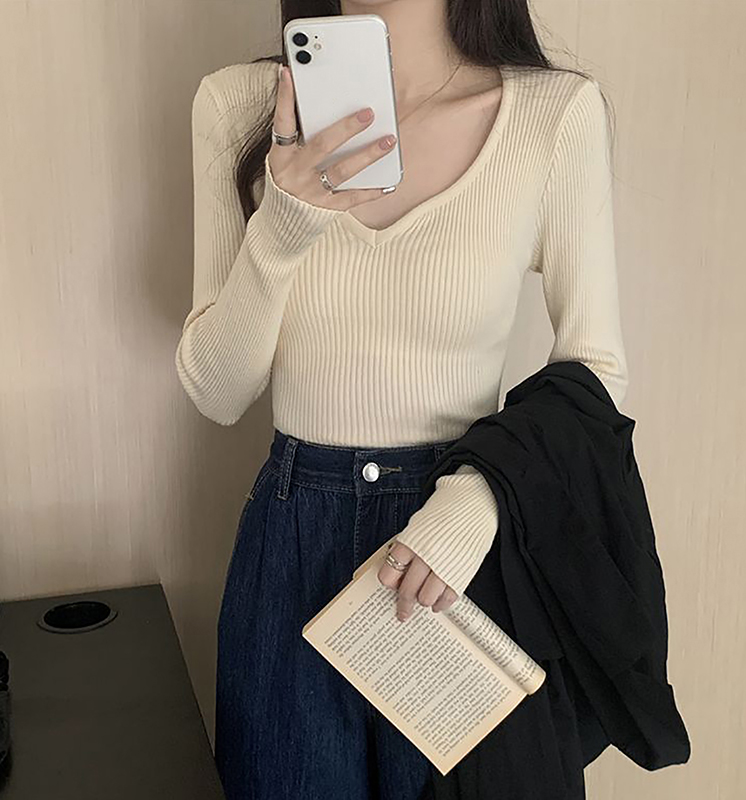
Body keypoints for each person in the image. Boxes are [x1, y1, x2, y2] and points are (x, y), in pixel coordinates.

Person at [174, 1, 628, 798]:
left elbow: (595, 370)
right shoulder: (238, 105)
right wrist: (284, 224)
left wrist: (476, 505)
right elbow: (217, 392)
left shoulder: (553, 115)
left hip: (457, 549)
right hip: (291, 545)